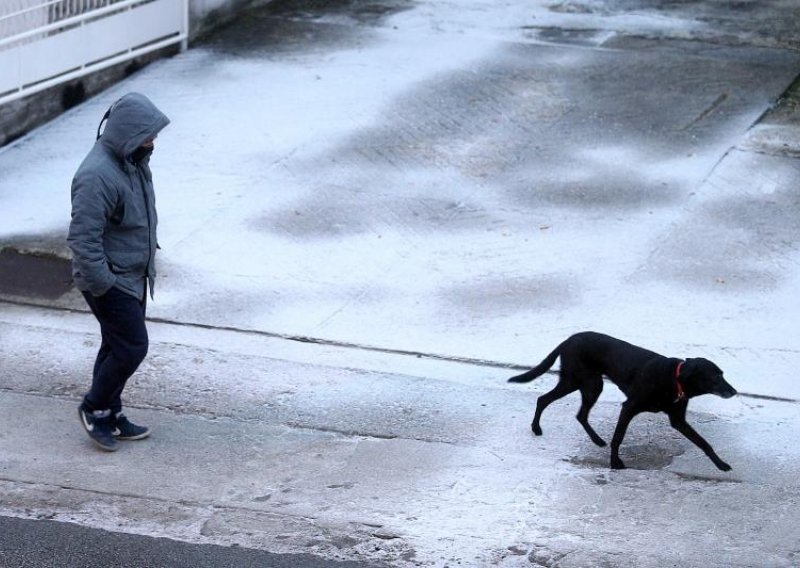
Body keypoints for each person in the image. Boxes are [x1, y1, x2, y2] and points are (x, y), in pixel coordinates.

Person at [67, 92, 170, 452]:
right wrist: (104, 285)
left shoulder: (132, 162)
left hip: (132, 273)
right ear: (127, 133)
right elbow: (83, 239)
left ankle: (110, 411)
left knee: (116, 344)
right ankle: (93, 406)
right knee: (132, 346)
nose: (153, 142)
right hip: (109, 279)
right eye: (147, 135)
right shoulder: (97, 176)